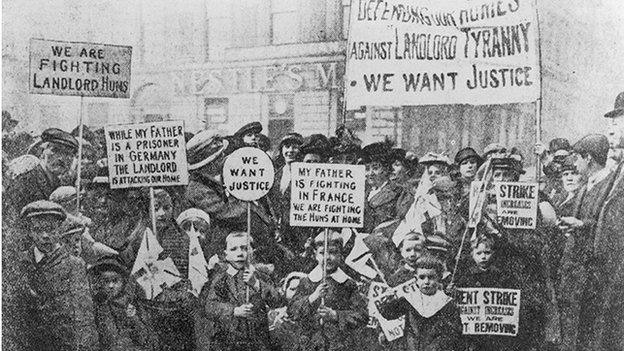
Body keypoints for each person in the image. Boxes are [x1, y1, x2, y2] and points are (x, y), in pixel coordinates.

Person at [558, 134, 619, 351]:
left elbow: (614, 228)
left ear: (588, 158)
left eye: (577, 158)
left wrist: (582, 225)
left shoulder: (611, 187)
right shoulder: (586, 186)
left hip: (593, 279)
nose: (574, 163)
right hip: (576, 278)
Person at [16, 200, 99, 351]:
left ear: (60, 230)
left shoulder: (73, 265)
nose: (45, 236)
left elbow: (83, 318)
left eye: (50, 229)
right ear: (29, 231)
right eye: (38, 229)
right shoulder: (19, 263)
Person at [288, 230, 368, 351]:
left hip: (338, 345)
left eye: (333, 252)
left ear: (341, 255)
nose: (327, 258)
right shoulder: (307, 282)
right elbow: (292, 311)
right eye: (322, 253)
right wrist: (313, 297)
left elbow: (362, 316)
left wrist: (335, 315)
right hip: (309, 344)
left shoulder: (348, 284)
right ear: (315, 254)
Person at [204, 232, 282, 351]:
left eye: (245, 248)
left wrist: (256, 284)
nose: (240, 253)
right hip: (227, 342)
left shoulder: (261, 277)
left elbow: (276, 300)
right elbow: (210, 306)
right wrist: (234, 311)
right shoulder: (220, 280)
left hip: (257, 342)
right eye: (233, 249)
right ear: (226, 255)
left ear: (252, 252)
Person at [378, 255, 462, 351]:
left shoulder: (446, 302)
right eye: (422, 277)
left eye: (431, 277)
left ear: (439, 278)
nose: (426, 282)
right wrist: (389, 299)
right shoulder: (410, 299)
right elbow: (387, 314)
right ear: (416, 279)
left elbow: (455, 333)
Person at [453, 236, 520, 351]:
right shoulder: (466, 277)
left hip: (494, 329)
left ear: (493, 253)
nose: (483, 257)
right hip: (474, 331)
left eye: (487, 252)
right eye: (479, 253)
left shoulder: (501, 276)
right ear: (472, 255)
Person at [4, 128, 78, 221]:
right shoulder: (24, 183)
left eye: (68, 154)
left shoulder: (60, 185)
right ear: (42, 152)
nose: (61, 158)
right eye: (55, 150)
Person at [90, 255, 158, 351]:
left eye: (115, 281)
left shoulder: (134, 304)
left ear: (123, 282)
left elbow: (148, 340)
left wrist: (134, 317)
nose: (111, 286)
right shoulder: (99, 306)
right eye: (106, 281)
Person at [362, 141, 403, 233]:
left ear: (386, 169)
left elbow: (400, 223)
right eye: (367, 169)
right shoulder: (360, 191)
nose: (370, 173)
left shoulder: (399, 192)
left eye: (375, 168)